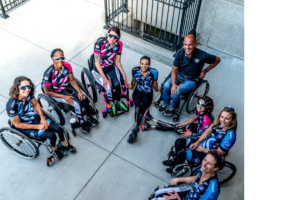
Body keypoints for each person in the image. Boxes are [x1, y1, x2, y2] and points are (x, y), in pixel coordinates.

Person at [6, 76, 76, 159]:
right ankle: (54, 148)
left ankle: (63, 143)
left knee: (59, 129)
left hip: (35, 118)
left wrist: (42, 118)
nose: (27, 89)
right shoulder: (11, 106)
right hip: (25, 126)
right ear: (17, 88)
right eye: (23, 87)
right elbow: (18, 124)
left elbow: (35, 104)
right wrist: (38, 126)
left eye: (29, 86)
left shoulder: (29, 94)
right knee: (52, 135)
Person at [160, 34, 221, 116]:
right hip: (179, 74)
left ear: (195, 44)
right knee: (167, 85)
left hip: (191, 79)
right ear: (183, 44)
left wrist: (205, 70)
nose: (187, 47)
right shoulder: (180, 53)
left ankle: (174, 107)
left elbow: (217, 60)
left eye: (190, 44)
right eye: (185, 44)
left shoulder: (202, 55)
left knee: (176, 91)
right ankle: (165, 103)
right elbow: (174, 69)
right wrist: (174, 83)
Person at [163, 107, 237, 173]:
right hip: (202, 143)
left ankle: (178, 167)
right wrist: (197, 142)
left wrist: (201, 149)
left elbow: (217, 155)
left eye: (227, 118)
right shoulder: (218, 122)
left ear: (233, 121)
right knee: (179, 142)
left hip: (207, 154)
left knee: (181, 154)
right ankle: (176, 161)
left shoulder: (229, 137)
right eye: (222, 117)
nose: (223, 120)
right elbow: (207, 131)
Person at [43, 49, 99, 133]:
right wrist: (64, 96)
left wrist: (79, 91)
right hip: (56, 92)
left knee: (84, 98)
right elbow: (47, 92)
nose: (60, 60)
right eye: (57, 58)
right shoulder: (48, 73)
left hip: (66, 86)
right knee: (77, 104)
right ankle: (81, 122)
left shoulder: (67, 65)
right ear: (52, 59)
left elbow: (72, 80)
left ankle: (88, 116)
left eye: (62, 57)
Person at [149, 150, 224, 200]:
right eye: (205, 160)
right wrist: (178, 179)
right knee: (158, 193)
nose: (204, 164)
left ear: (216, 168)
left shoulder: (212, 191)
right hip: (191, 192)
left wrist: (178, 199)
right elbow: (196, 178)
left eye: (209, 164)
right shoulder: (205, 171)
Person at [92, 26, 128, 116]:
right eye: (110, 35)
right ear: (107, 34)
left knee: (118, 83)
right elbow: (97, 63)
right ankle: (111, 104)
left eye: (115, 37)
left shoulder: (119, 44)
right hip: (99, 68)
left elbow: (117, 61)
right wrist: (104, 78)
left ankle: (118, 102)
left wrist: (123, 74)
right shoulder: (99, 43)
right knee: (108, 87)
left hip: (110, 66)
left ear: (118, 38)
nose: (112, 39)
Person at [127, 55, 160, 143]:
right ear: (139, 63)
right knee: (137, 107)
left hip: (148, 93)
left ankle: (135, 129)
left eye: (146, 64)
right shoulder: (135, 71)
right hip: (137, 91)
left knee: (142, 109)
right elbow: (133, 83)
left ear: (149, 64)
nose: (144, 66)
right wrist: (126, 85)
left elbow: (155, 85)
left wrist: (158, 89)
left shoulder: (154, 72)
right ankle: (136, 127)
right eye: (142, 64)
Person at [141, 96, 214, 136]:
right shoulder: (200, 110)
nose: (199, 106)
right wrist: (183, 124)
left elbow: (205, 135)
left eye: (203, 105)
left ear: (207, 107)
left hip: (198, 135)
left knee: (174, 128)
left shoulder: (206, 120)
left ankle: (151, 122)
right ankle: (150, 123)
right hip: (197, 128)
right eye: (198, 103)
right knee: (176, 126)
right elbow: (193, 118)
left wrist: (191, 134)